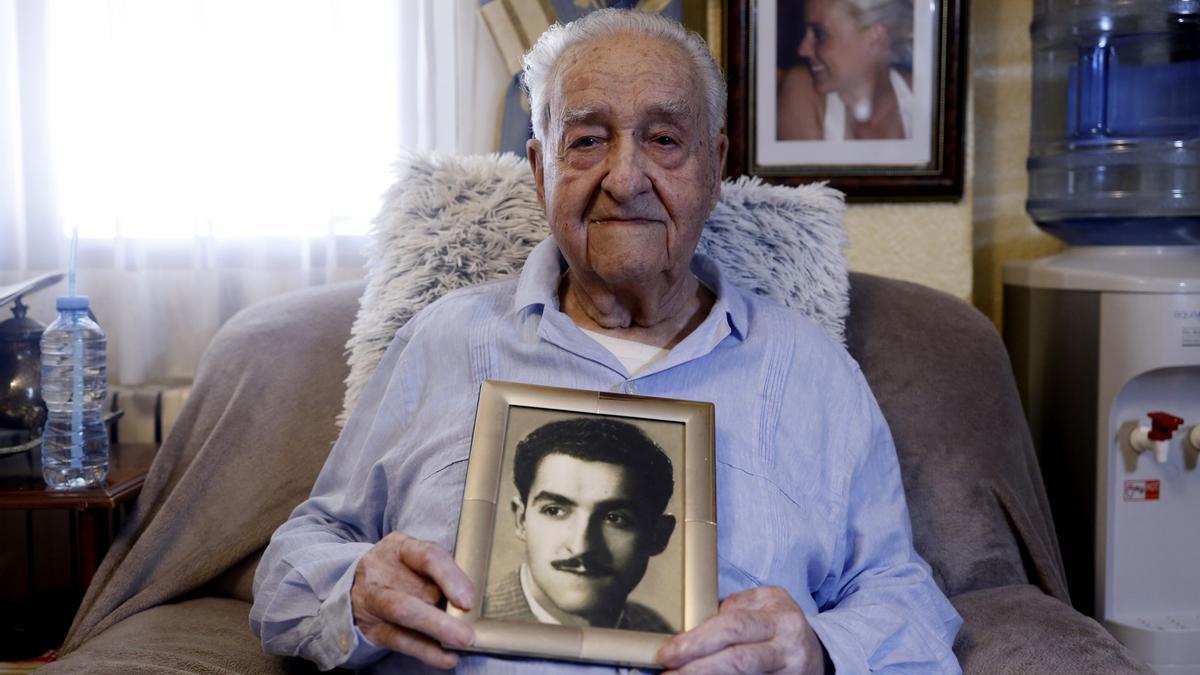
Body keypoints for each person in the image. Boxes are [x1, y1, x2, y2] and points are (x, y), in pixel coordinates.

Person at [251, 7, 962, 674]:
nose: (625, 180)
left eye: (662, 140)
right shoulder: (443, 340)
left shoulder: (810, 369)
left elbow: (907, 598)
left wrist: (815, 647)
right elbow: (291, 565)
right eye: (588, 140)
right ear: (539, 170)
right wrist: (358, 590)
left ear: (713, 167)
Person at [482, 417, 676, 633]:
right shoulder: (466, 623)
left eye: (614, 518)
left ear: (658, 536)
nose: (581, 547)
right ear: (521, 520)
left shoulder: (658, 631)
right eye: (555, 511)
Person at [777, 0, 915, 141]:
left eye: (820, 34)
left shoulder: (917, 94)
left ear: (874, 38)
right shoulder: (803, 91)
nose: (803, 50)